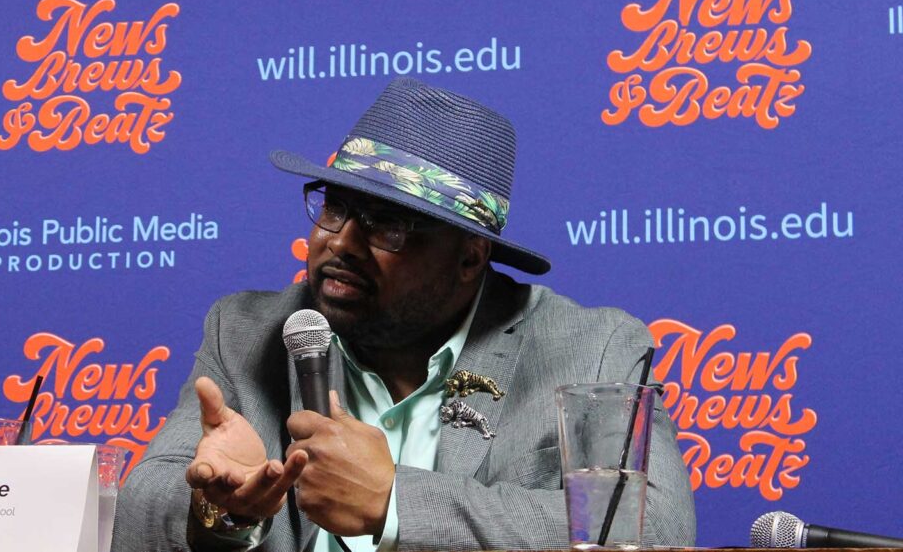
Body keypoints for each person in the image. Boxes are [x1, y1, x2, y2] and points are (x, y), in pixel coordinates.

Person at [112, 77, 696, 552]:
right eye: (335, 207)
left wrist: (394, 501)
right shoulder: (247, 332)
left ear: (470, 256)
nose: (339, 243)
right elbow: (143, 508)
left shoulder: (589, 349)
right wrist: (223, 511)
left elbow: (650, 528)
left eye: (387, 225)